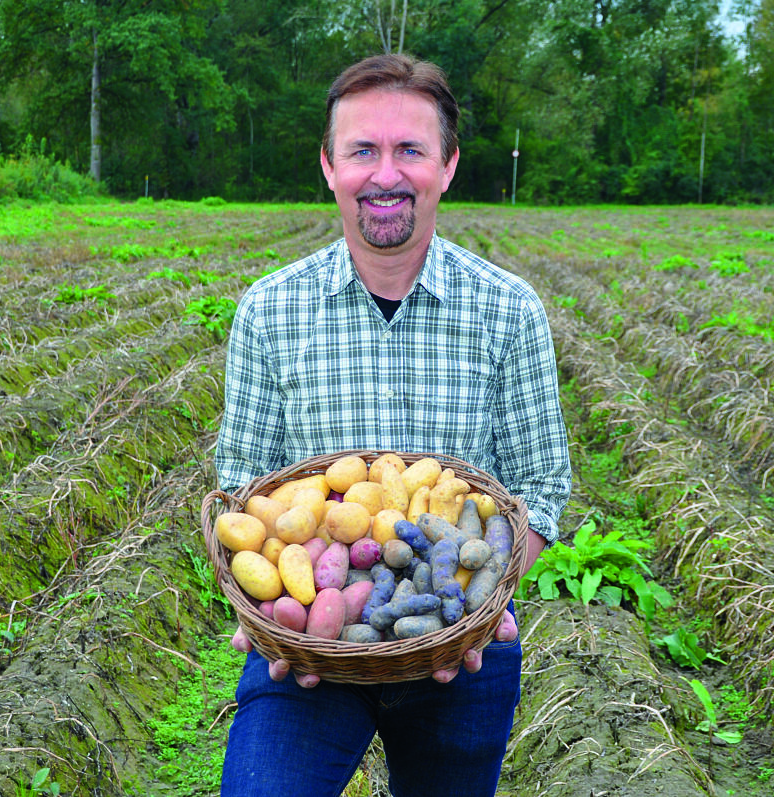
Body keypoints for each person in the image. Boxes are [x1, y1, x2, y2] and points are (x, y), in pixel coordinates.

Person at [213, 53, 571, 797]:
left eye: (409, 149)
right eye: (362, 150)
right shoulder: (268, 310)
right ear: (328, 166)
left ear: (446, 166)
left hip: (460, 645)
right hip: (310, 642)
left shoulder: (509, 309)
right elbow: (241, 487)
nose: (385, 174)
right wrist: (264, 618)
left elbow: (543, 484)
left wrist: (480, 602)